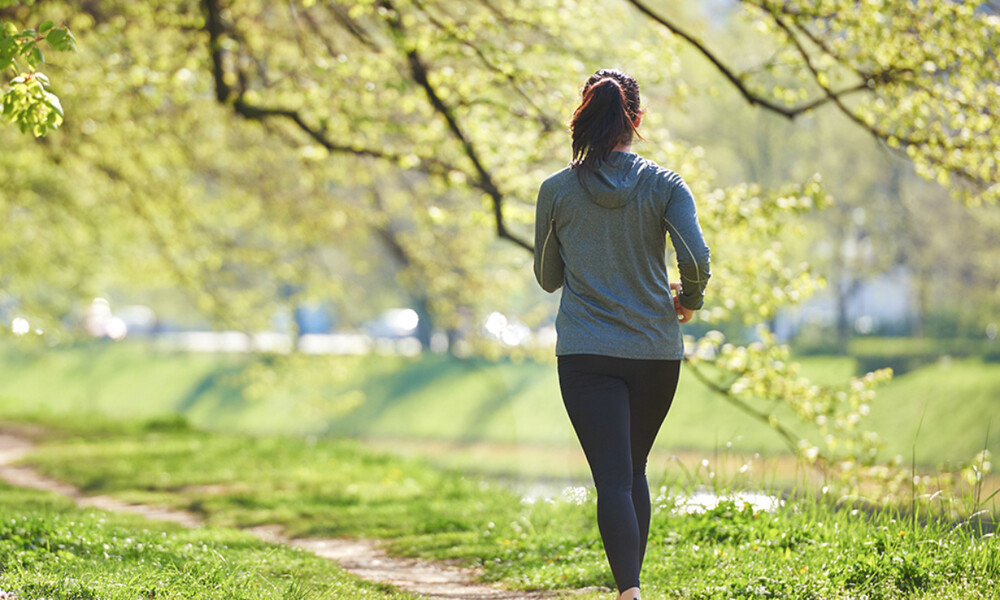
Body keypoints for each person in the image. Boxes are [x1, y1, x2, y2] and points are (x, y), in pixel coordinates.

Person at [533, 68, 711, 600]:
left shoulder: (557, 191)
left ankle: (629, 593)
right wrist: (689, 299)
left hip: (587, 353)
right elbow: (695, 258)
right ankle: (631, 591)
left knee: (613, 476)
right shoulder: (665, 184)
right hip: (655, 350)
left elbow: (547, 279)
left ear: (584, 116)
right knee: (634, 470)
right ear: (636, 119)